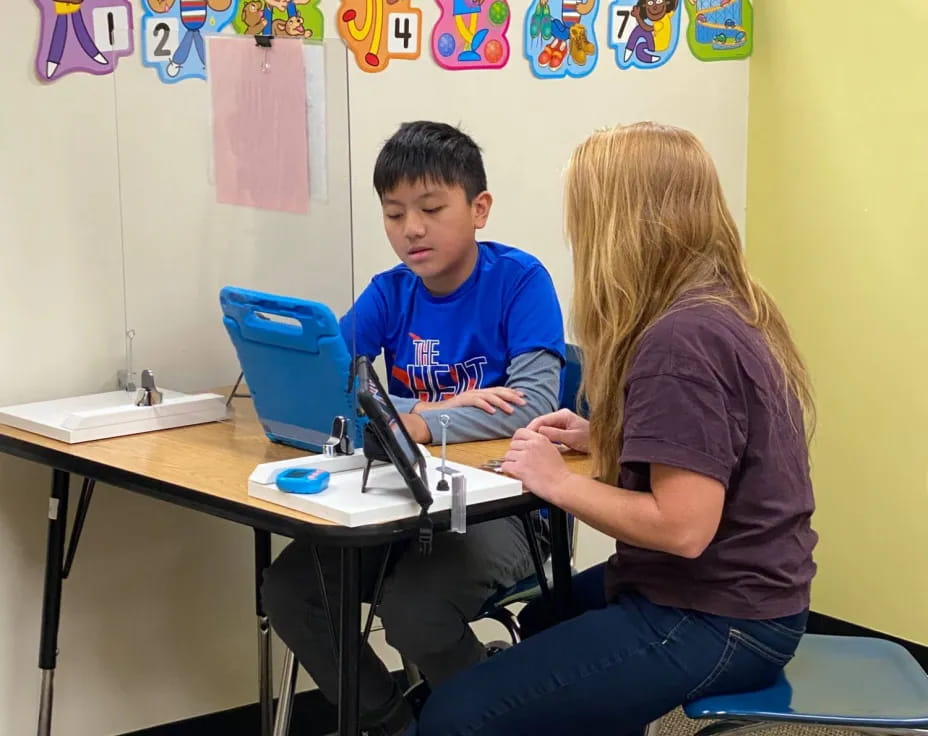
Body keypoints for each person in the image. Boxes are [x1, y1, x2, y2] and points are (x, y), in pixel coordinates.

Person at [408, 121, 819, 735]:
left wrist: (557, 481)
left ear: (622, 225)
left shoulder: (680, 341)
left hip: (720, 613)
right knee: (544, 620)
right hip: (754, 596)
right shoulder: (722, 306)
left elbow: (683, 529)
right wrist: (606, 439)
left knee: (455, 717)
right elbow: (718, 451)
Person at [262, 121, 566, 736]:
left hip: (499, 508)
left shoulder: (520, 281)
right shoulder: (390, 293)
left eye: (430, 208)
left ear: (479, 208)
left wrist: (418, 419)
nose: (412, 229)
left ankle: (493, 719)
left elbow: (535, 405)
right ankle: (396, 722)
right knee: (291, 589)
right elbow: (337, 393)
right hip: (397, 501)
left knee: (414, 611)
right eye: (394, 213)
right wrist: (439, 409)